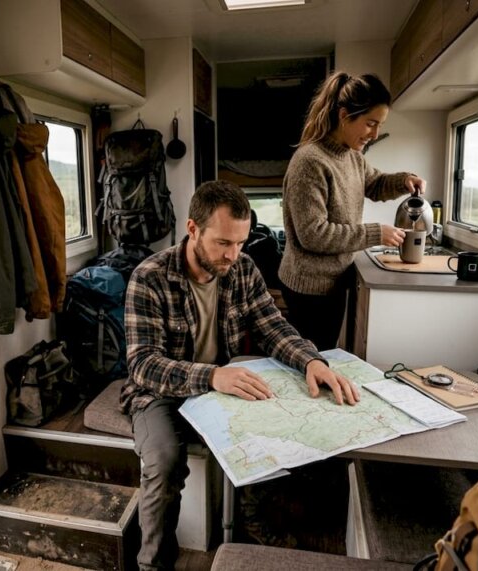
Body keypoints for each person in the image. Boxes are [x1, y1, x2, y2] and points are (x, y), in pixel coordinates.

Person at [120, 180, 360, 570]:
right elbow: (143, 365)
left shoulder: (243, 269)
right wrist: (213, 376)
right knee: (164, 463)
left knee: (271, 430)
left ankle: (250, 531)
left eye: (241, 243)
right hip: (160, 391)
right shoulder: (149, 277)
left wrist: (312, 361)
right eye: (223, 243)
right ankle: (154, 563)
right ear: (193, 229)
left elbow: (273, 328)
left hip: (220, 384)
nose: (234, 254)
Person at [279, 71, 426, 350]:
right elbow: (313, 234)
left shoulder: (351, 156)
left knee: (324, 356)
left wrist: (405, 181)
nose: (375, 134)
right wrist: (375, 233)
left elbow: (375, 183)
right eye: (370, 123)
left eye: (379, 125)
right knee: (314, 360)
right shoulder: (310, 162)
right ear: (345, 115)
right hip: (308, 287)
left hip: (332, 281)